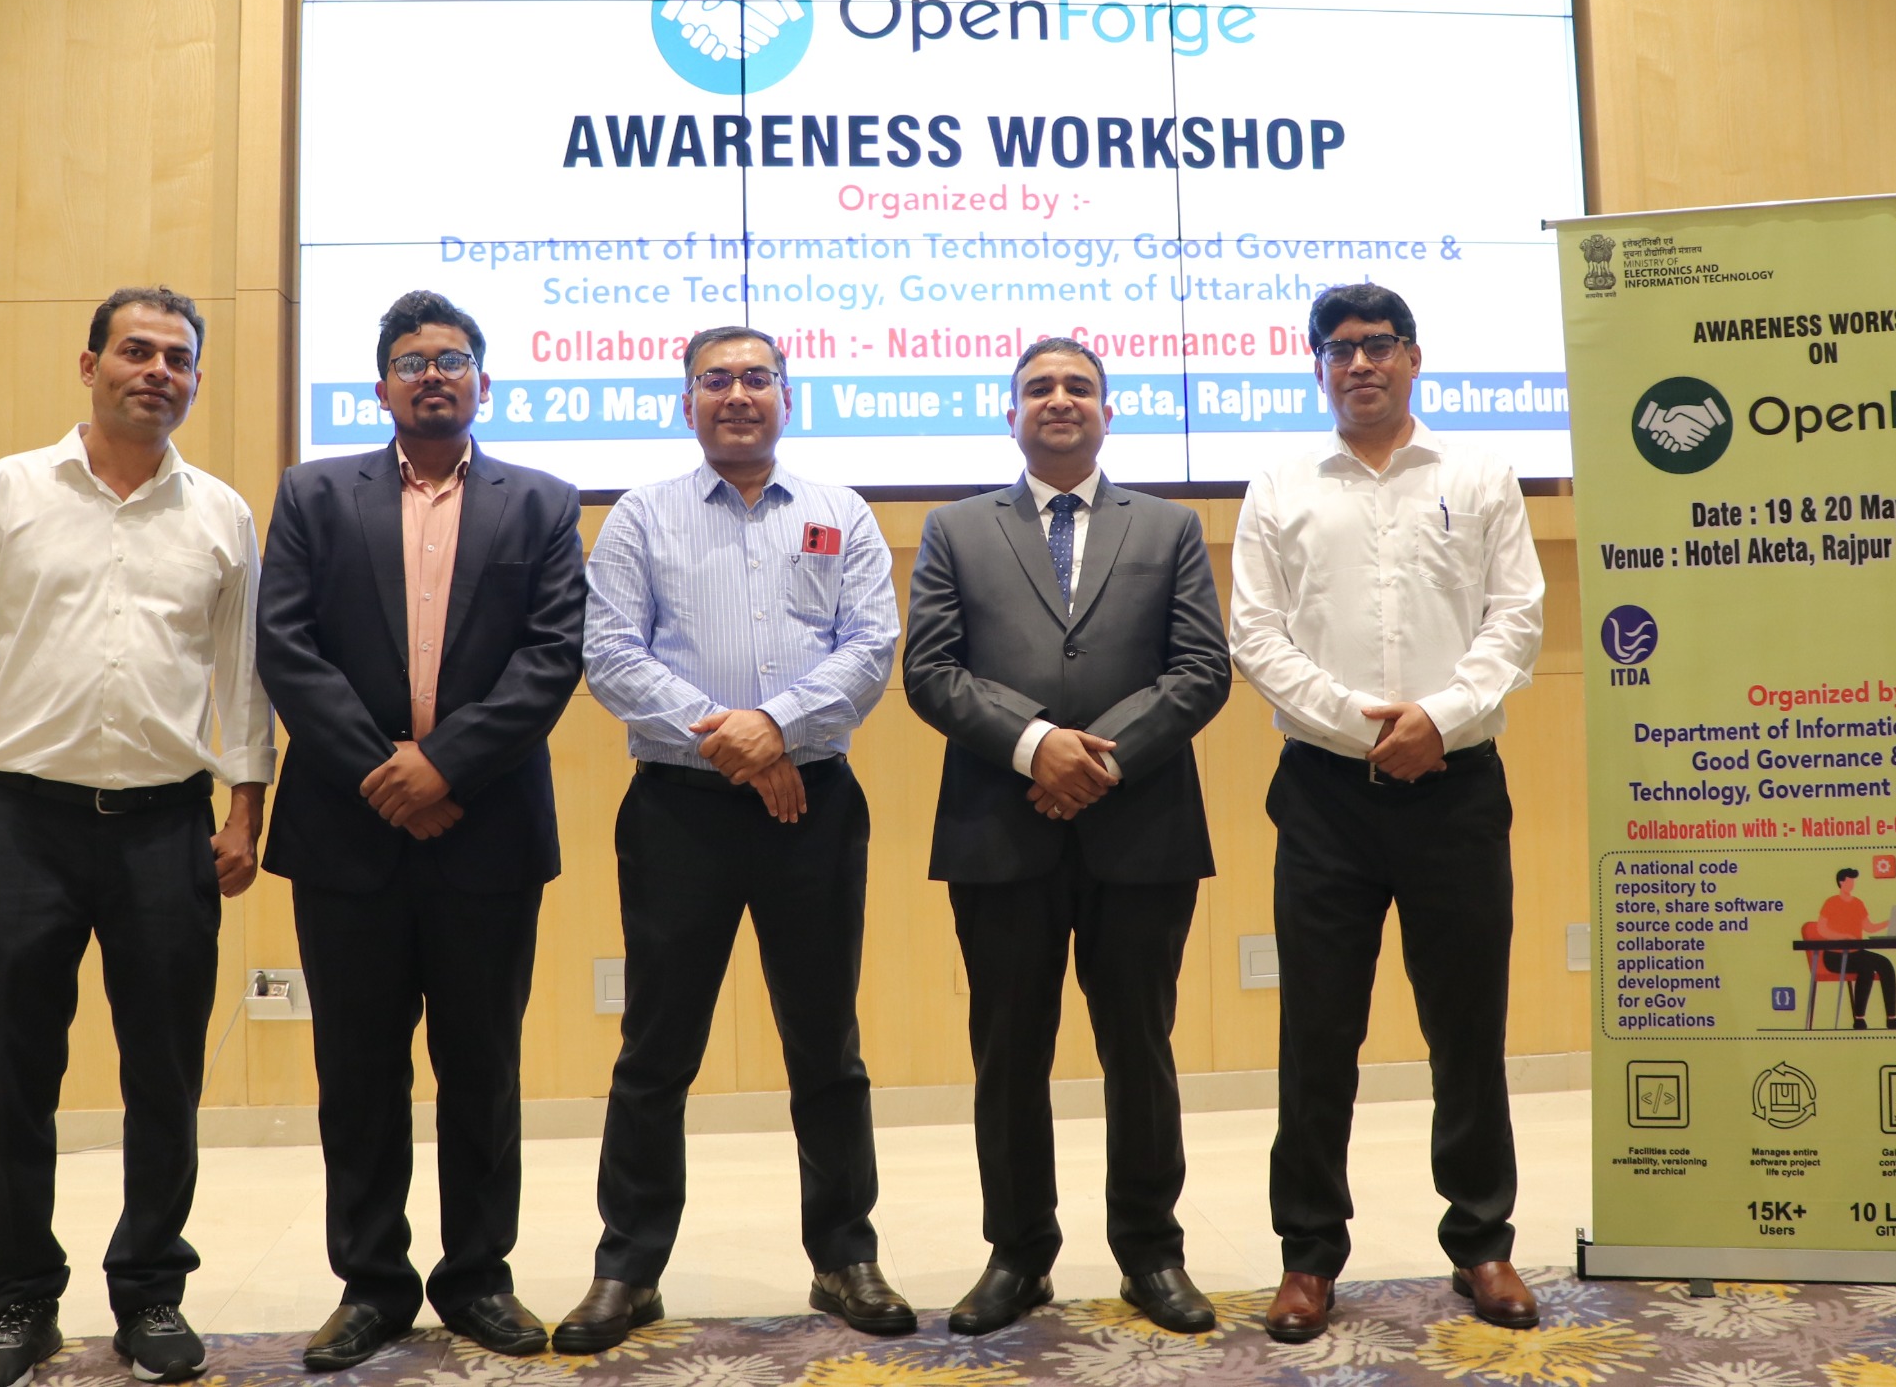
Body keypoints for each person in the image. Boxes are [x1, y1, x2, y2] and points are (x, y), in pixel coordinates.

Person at [0, 287, 274, 1387]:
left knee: (166, 1072)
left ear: (194, 380)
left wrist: (245, 811)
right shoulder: (3, 492)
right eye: (135, 350)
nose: (157, 371)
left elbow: (245, 683)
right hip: (23, 825)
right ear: (88, 364)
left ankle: (151, 1290)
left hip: (166, 828)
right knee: (11, 1071)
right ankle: (19, 1299)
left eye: (178, 358)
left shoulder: (221, 515)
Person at [255, 291, 589, 1369]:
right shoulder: (313, 494)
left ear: (483, 382)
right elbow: (286, 646)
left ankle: (478, 1276)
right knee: (357, 1072)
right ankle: (373, 1284)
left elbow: (552, 655)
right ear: (381, 386)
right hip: (346, 832)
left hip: (485, 829)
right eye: (411, 361)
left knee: (481, 1066)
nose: (432, 375)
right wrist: (385, 769)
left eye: (451, 359)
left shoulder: (541, 502)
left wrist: (444, 764)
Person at [562, 325, 909, 1352]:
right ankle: (627, 1269)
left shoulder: (839, 512)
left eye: (758, 377)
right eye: (715, 380)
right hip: (679, 810)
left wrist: (777, 729)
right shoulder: (642, 515)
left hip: (816, 805)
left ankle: (845, 1256)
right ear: (687, 403)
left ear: (788, 398)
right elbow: (609, 654)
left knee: (826, 1044)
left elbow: (870, 648)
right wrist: (741, 745)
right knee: (655, 1047)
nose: (738, 394)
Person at [1229, 282, 1547, 1341]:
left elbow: (1516, 619)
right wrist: (1363, 725)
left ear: (1414, 356)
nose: (1358, 362)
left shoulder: (1479, 473)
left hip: (1459, 789)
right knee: (1317, 1032)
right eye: (1338, 348)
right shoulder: (1279, 483)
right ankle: (1308, 1255)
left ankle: (1483, 1242)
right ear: (1317, 365)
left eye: (1378, 344)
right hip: (1325, 795)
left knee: (1468, 1027)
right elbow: (1256, 634)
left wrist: (1439, 719)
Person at [904, 338, 1232, 1336]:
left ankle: (1152, 1253)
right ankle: (1017, 1254)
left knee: (1141, 1048)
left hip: (1143, 832)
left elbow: (1200, 669)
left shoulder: (1169, 525)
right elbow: (930, 670)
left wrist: (1098, 761)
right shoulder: (955, 528)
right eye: (1038, 387)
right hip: (999, 831)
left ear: (1106, 411)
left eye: (1078, 387)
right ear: (1010, 412)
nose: (1059, 399)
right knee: (1009, 1054)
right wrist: (1037, 745)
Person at [1819, 868, 1896, 1030]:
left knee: (1885, 964)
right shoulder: (1831, 902)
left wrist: (1889, 922)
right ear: (1841, 882)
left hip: (1855, 953)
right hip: (1835, 956)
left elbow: (1869, 927)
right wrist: (1843, 936)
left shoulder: (1858, 903)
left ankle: (1891, 1018)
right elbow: (1822, 929)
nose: (1852, 884)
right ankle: (1859, 1019)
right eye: (1849, 880)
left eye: (1853, 881)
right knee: (1866, 969)